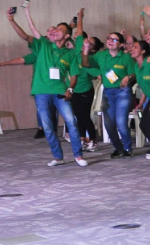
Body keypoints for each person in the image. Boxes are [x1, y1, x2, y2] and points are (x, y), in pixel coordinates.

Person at [1, 10, 87, 167]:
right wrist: (14, 18)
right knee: (47, 126)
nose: (56, 31)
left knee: (71, 121)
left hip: (60, 91)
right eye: (55, 29)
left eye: (60, 29)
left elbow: (74, 75)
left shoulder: (70, 54)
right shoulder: (43, 45)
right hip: (41, 91)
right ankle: (57, 156)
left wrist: (70, 89)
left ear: (67, 36)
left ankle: (78, 156)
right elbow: (26, 35)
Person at [82, 31, 137, 158]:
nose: (110, 41)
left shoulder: (126, 57)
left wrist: (128, 77)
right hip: (108, 92)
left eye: (115, 39)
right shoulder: (101, 55)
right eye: (109, 38)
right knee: (108, 124)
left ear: (121, 44)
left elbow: (134, 73)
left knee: (121, 122)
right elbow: (85, 63)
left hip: (122, 92)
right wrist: (86, 49)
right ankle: (118, 148)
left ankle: (128, 148)